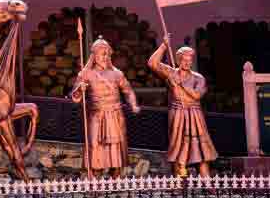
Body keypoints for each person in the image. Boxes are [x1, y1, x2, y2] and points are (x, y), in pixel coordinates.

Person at [70, 37, 140, 179]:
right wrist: (79, 89)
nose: (105, 57)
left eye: (107, 54)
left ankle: (115, 178)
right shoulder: (86, 73)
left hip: (115, 115)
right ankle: (95, 179)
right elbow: (75, 97)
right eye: (102, 54)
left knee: (115, 148)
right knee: (95, 146)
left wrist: (133, 104)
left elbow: (128, 91)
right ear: (94, 56)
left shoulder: (117, 73)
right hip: (96, 115)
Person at [149, 38, 218, 177]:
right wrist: (164, 46)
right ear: (178, 60)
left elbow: (196, 95)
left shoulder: (198, 78)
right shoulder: (171, 73)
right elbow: (152, 63)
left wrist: (181, 84)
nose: (186, 63)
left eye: (189, 60)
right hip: (177, 113)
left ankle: (207, 182)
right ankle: (179, 182)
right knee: (178, 147)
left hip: (194, 114)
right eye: (183, 60)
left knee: (201, 150)